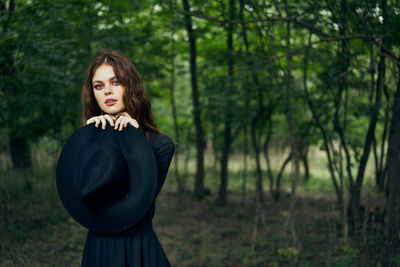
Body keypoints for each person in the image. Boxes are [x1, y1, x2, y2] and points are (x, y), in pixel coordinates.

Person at [80, 50, 174, 266]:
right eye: (99, 86)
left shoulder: (161, 145)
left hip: (138, 248)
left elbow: (135, 206)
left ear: (131, 85)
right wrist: (91, 142)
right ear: (92, 93)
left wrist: (134, 140)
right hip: (99, 248)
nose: (108, 92)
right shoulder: (87, 139)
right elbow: (83, 202)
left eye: (116, 82)